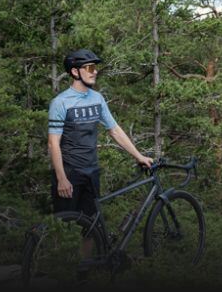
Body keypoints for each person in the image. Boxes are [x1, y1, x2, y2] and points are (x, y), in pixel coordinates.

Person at [47, 49, 153, 274]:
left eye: (95, 68)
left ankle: (81, 275)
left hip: (91, 172)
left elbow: (114, 130)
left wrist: (139, 156)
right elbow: (53, 144)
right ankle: (56, 272)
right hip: (69, 173)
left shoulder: (97, 99)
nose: (94, 72)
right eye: (89, 68)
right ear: (75, 72)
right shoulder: (60, 102)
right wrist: (61, 178)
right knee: (61, 227)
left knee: (90, 227)